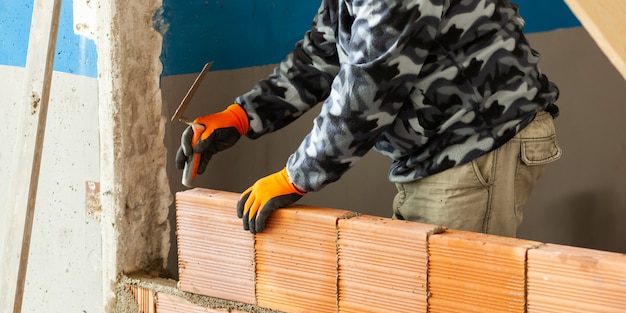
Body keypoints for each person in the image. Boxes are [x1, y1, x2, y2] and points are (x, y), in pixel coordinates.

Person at [176, 0, 561, 235]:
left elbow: (371, 85)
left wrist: (295, 177)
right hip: (444, 145)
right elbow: (327, 48)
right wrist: (243, 115)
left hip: (476, 141)